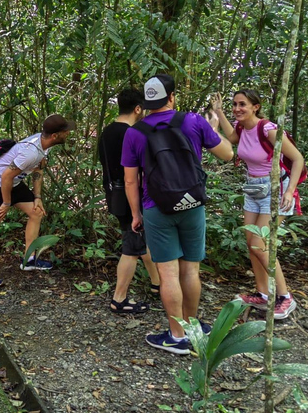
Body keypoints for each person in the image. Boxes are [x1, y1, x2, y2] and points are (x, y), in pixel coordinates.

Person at [122, 75, 233, 355]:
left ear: (145, 103)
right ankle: (193, 328)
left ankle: (177, 336)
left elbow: (131, 181)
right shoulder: (193, 121)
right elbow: (227, 154)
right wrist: (213, 128)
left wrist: (136, 214)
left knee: (168, 273)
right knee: (191, 269)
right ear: (171, 96)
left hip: (157, 208)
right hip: (192, 203)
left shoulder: (134, 133)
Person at [209, 90, 303, 319]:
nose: (238, 108)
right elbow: (230, 140)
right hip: (253, 189)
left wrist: (290, 191)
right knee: (251, 242)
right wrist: (218, 114)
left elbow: (298, 158)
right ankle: (262, 294)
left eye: (243, 104)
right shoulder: (242, 128)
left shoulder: (268, 129)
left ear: (256, 107)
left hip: (275, 189)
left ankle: (285, 297)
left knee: (261, 243)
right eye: (234, 104)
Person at [0, 114, 75, 289]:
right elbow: (6, 176)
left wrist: (37, 197)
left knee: (36, 212)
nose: (68, 134)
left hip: (13, 183)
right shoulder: (30, 151)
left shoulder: (44, 145)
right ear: (55, 135)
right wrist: (6, 203)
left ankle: (29, 259)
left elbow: (38, 170)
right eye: (65, 131)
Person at [98, 88, 160, 314]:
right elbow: (138, 170)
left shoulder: (106, 132)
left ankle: (157, 283)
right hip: (130, 196)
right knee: (132, 247)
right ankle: (119, 299)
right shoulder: (132, 133)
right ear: (137, 108)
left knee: (140, 238)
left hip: (114, 194)